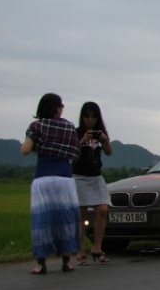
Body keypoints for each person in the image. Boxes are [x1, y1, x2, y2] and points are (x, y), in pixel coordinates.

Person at [20, 93, 81, 274]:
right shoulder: (69, 127)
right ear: (56, 108)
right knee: (66, 220)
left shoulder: (36, 126)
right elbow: (75, 151)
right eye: (61, 105)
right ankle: (66, 262)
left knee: (42, 221)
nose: (62, 108)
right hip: (65, 180)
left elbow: (25, 150)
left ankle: (41, 264)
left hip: (43, 179)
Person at [74, 102, 113, 265]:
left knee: (103, 209)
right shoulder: (76, 132)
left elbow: (109, 152)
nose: (90, 119)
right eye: (87, 116)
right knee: (81, 213)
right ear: (82, 117)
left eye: (93, 116)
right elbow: (70, 152)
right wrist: (82, 140)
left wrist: (105, 141)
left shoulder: (100, 133)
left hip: (96, 177)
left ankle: (97, 247)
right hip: (79, 176)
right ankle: (80, 250)